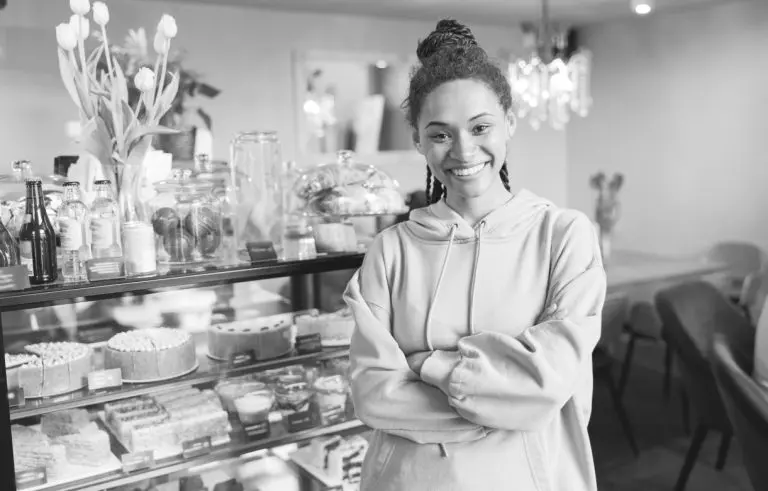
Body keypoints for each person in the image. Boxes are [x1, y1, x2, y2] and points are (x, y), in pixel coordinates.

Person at [343, 18, 608, 491]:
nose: (463, 150)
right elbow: (371, 394)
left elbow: (547, 383)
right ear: (417, 139)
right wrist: (506, 405)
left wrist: (428, 365)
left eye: (480, 126)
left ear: (508, 122)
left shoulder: (564, 235)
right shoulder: (390, 252)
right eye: (440, 133)